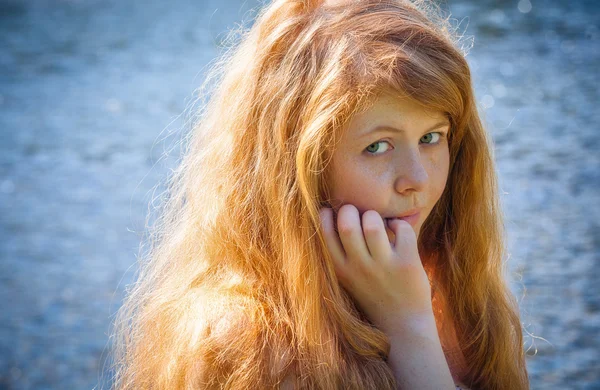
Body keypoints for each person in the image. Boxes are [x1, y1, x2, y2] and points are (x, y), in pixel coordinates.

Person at [111, 0, 530, 388]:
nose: (417, 178)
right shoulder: (254, 349)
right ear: (298, 171)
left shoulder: (457, 289)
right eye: (378, 146)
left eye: (432, 136)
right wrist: (408, 327)